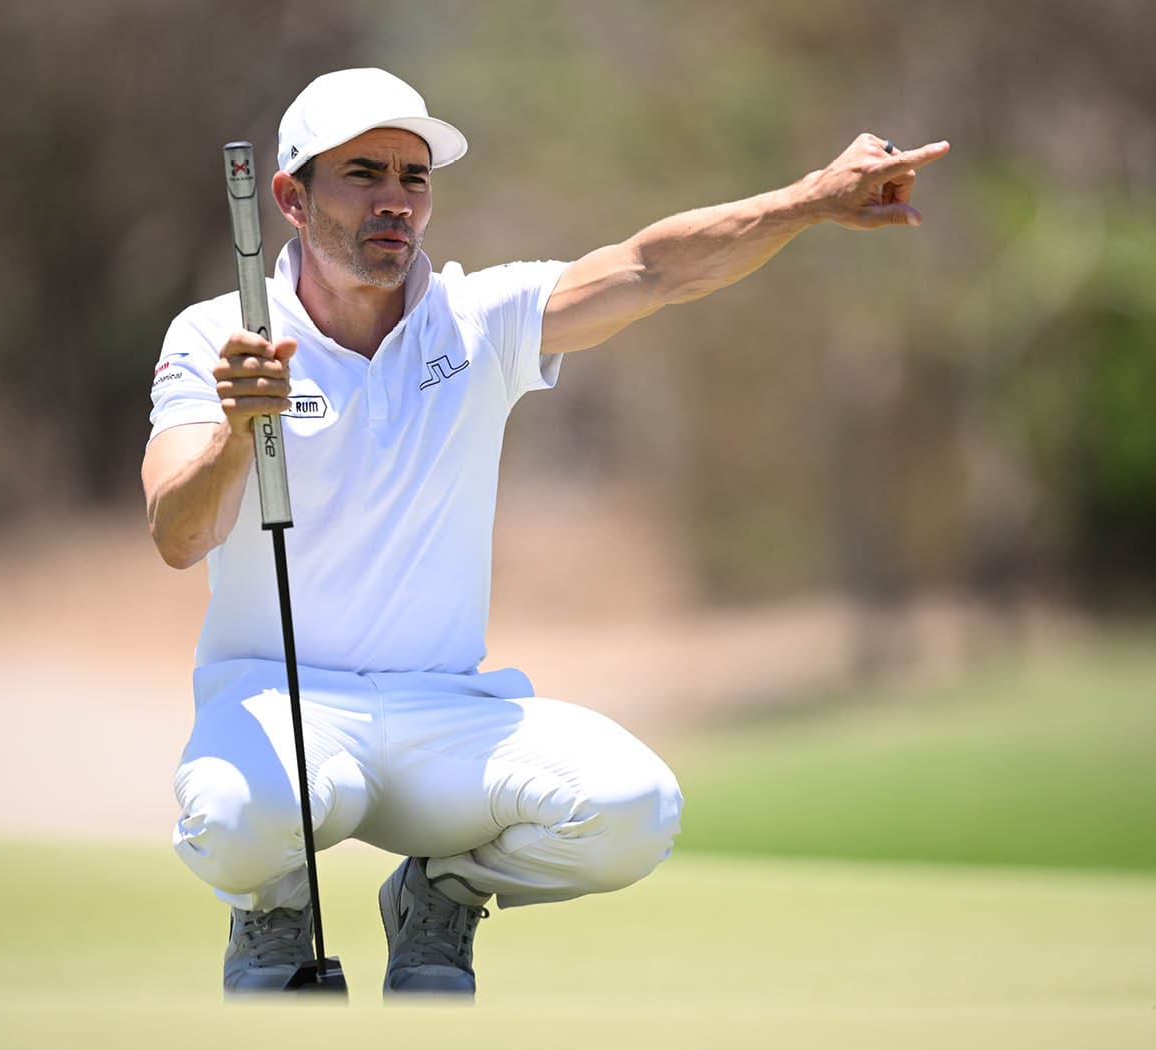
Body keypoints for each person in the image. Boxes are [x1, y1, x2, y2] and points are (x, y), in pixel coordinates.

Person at [142, 67, 949, 998]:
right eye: (364, 175)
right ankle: (276, 904)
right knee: (238, 821)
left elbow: (653, 268)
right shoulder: (218, 338)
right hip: (283, 709)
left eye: (415, 179)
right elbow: (177, 531)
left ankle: (439, 893)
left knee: (632, 810)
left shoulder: (476, 318)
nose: (396, 202)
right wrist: (240, 432)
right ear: (289, 196)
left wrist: (809, 201)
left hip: (445, 714)